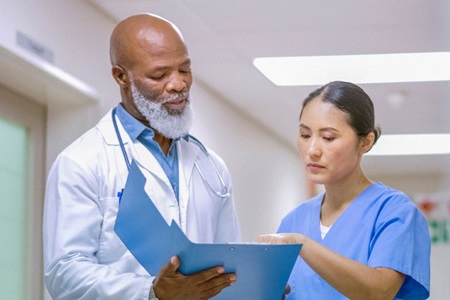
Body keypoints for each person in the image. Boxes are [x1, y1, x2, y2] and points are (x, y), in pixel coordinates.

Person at [43, 13, 241, 300]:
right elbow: (64, 273)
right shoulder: (82, 162)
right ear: (121, 76)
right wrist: (150, 291)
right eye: (159, 75)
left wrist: (258, 285)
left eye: (184, 70)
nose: (178, 84)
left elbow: (227, 260)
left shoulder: (212, 167)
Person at [257, 81, 430, 299]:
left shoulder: (394, 211)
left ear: (365, 142)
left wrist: (301, 244)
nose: (312, 150)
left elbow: (379, 291)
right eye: (305, 135)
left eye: (328, 137)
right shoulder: (293, 221)